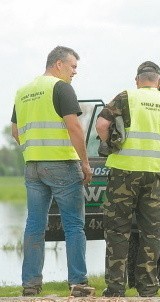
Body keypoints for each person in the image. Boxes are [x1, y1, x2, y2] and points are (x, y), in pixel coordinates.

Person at [96, 61, 160, 297]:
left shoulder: (126, 97)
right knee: (151, 232)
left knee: (117, 231)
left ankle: (115, 287)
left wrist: (110, 144)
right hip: (155, 175)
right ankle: (147, 288)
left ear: (137, 80)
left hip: (123, 173)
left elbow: (102, 123)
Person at [11, 46, 95, 297]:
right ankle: (78, 283)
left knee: (35, 225)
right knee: (73, 225)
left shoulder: (23, 92)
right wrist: (85, 162)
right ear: (58, 64)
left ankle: (30, 284)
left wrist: (32, 150)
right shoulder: (61, 88)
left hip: (33, 166)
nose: (74, 72)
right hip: (62, 165)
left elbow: (15, 132)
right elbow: (75, 128)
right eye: (73, 67)